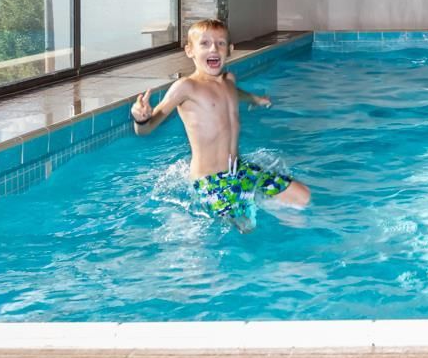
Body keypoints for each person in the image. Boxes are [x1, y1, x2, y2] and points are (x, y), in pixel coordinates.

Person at [130, 18, 311, 223]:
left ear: (229, 50)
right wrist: (141, 119)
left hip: (239, 170)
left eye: (220, 43)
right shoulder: (186, 87)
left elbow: (235, 93)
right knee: (245, 226)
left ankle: (258, 203)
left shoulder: (229, 80)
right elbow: (147, 128)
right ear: (190, 51)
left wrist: (255, 99)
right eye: (205, 43)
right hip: (211, 181)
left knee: (302, 196)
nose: (213, 48)